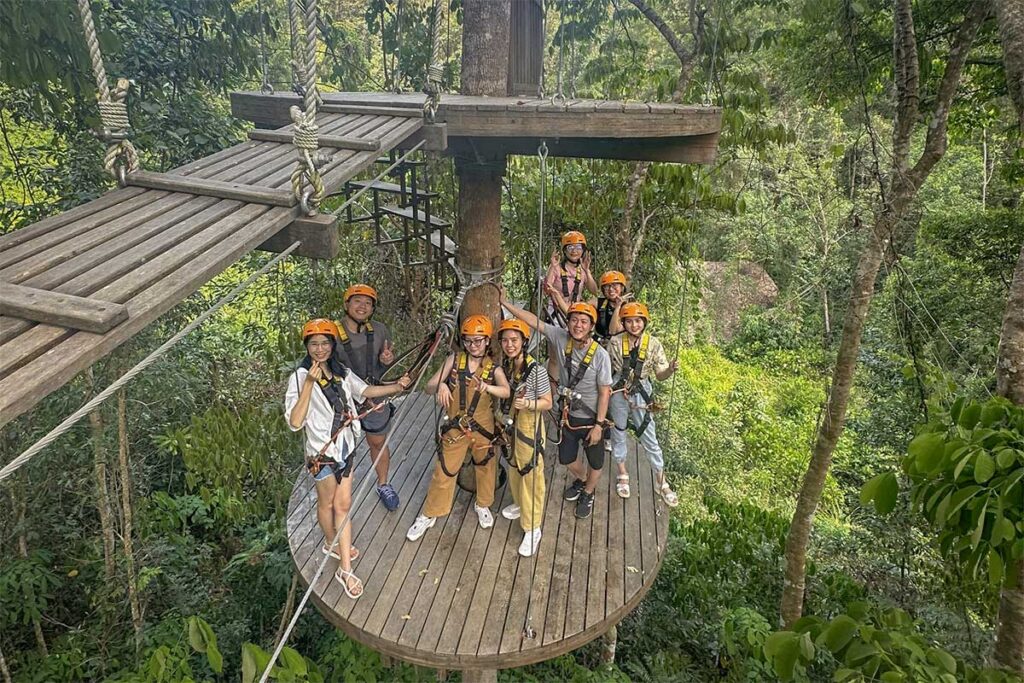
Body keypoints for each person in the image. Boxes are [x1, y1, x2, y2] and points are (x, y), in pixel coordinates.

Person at [285, 319, 411, 599]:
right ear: (307, 347)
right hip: (322, 454)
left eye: (325, 343)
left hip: (345, 448)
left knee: (342, 506)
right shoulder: (298, 377)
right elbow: (295, 422)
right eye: (314, 344)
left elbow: (364, 391)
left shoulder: (341, 372)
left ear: (332, 346)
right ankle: (330, 541)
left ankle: (345, 568)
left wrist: (395, 387)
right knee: (327, 503)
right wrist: (308, 383)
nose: (320, 349)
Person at [499, 290, 612, 519]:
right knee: (567, 458)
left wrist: (599, 425)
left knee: (596, 460)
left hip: (592, 416)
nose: (577, 325)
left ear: (591, 326)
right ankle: (582, 480)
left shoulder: (600, 356)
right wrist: (505, 303)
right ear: (567, 322)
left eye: (583, 322)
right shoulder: (560, 337)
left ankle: (588, 492)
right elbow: (533, 321)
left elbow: (604, 392)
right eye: (574, 320)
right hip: (568, 413)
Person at [406, 315, 511, 542]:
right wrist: (442, 384)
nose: (474, 345)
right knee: (444, 470)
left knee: (486, 466)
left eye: (478, 340)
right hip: (456, 427)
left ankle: (483, 504)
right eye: (469, 341)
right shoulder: (454, 361)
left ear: (486, 341)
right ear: (464, 342)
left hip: (483, 427)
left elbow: (506, 390)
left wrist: (489, 389)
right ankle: (430, 513)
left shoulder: (493, 369)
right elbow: (428, 387)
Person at [333, 284, 401, 511]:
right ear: (346, 304)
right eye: (357, 301)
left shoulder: (380, 330)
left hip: (375, 395)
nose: (362, 307)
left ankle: (383, 483)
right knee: (341, 449)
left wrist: (387, 360)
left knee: (377, 442)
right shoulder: (331, 334)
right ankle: (337, 493)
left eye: (368, 303)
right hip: (343, 400)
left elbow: (386, 365)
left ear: (372, 309)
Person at [608, 303, 679, 506]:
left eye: (638, 321)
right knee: (618, 430)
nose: (634, 325)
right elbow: (606, 369)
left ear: (644, 322)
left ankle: (661, 480)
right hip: (618, 389)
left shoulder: (653, 344)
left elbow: (660, 374)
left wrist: (670, 370)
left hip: (642, 391)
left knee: (649, 434)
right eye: (629, 321)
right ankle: (622, 472)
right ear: (623, 323)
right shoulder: (614, 342)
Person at [496, 318, 552, 557]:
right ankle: (520, 505)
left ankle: (533, 528)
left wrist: (528, 403)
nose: (510, 345)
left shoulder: (535, 370)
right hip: (512, 424)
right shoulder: (508, 366)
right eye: (506, 340)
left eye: (514, 340)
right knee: (514, 468)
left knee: (531, 474)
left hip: (530, 426)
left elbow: (548, 402)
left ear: (524, 342)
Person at [542, 230, 599, 383]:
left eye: (578, 248)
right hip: (556, 314)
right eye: (570, 248)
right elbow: (546, 289)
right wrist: (551, 267)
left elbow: (595, 290)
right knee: (554, 356)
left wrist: (587, 271)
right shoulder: (557, 268)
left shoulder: (582, 270)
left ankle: (573, 385)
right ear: (565, 250)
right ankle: (553, 391)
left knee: (575, 353)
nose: (574, 251)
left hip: (576, 315)